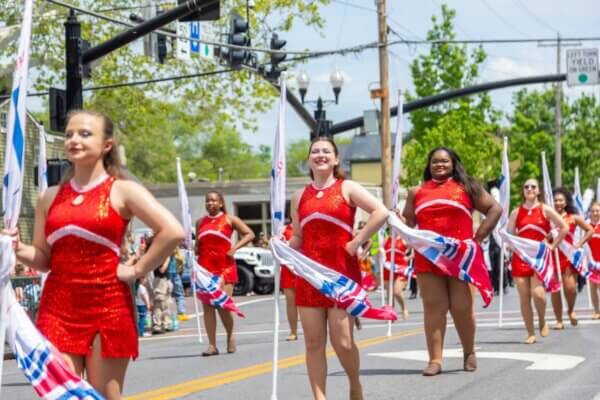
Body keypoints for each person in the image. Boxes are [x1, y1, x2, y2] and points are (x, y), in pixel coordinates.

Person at [3, 110, 184, 399]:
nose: (74, 139)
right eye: (69, 134)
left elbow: (173, 231)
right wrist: (18, 248)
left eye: (85, 134)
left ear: (106, 145)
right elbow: (43, 258)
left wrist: (137, 270)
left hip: (108, 307)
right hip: (57, 309)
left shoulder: (123, 190)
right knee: (61, 394)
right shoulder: (48, 197)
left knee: (103, 396)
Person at [289, 136, 388, 400]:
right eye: (315, 151)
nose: (320, 155)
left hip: (341, 273)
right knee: (313, 341)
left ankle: (355, 384)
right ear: (309, 159)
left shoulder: (348, 187)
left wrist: (357, 241)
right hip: (309, 274)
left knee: (342, 341)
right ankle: (319, 397)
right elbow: (298, 236)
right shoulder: (299, 196)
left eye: (326, 152)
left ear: (335, 159)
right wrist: (283, 245)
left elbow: (381, 212)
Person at [402, 147, 502, 376]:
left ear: (453, 163)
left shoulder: (467, 187)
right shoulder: (416, 191)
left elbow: (495, 208)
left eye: (444, 161)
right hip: (429, 257)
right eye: (435, 161)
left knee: (461, 308)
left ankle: (469, 352)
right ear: (428, 165)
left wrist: (480, 236)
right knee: (434, 308)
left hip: (461, 258)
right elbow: (408, 223)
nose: (439, 165)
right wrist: (397, 219)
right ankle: (435, 360)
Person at [506, 178, 567, 344]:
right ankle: (530, 332)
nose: (529, 189)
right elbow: (510, 235)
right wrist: (509, 248)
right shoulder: (516, 212)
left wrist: (553, 246)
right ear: (523, 190)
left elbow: (564, 227)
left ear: (538, 191)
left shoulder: (545, 209)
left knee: (538, 293)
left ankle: (542, 319)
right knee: (524, 297)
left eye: (533, 186)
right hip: (521, 258)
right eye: (526, 186)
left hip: (540, 257)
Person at [195, 191, 255, 356]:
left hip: (224, 268)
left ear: (221, 203)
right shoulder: (200, 222)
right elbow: (198, 245)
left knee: (222, 306)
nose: (210, 203)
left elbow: (250, 234)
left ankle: (230, 334)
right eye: (208, 201)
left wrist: (234, 248)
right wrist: (193, 248)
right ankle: (212, 345)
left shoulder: (229, 219)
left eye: (214, 200)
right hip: (204, 270)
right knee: (207, 308)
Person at [551, 187, 593, 328]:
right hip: (553, 255)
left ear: (566, 202)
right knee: (555, 288)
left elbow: (590, 230)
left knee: (571, 288)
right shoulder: (549, 218)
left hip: (568, 256)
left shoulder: (573, 218)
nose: (558, 203)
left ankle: (570, 310)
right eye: (556, 200)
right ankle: (558, 320)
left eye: (561, 200)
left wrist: (579, 243)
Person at [382, 232, 411, 320]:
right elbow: (379, 249)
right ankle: (391, 313)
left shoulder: (403, 238)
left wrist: (409, 257)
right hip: (388, 268)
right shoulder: (386, 239)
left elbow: (416, 248)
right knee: (389, 294)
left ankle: (404, 307)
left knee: (397, 291)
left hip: (400, 268)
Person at [280, 223, 299, 341]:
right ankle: (293, 331)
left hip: (305, 269)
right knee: (291, 302)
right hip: (288, 270)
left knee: (308, 303)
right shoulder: (283, 229)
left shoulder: (307, 225)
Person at [587, 202, 600, 319]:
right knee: (593, 287)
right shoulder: (586, 226)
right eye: (593, 211)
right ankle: (597, 311)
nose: (595, 213)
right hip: (591, 262)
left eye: (597, 211)